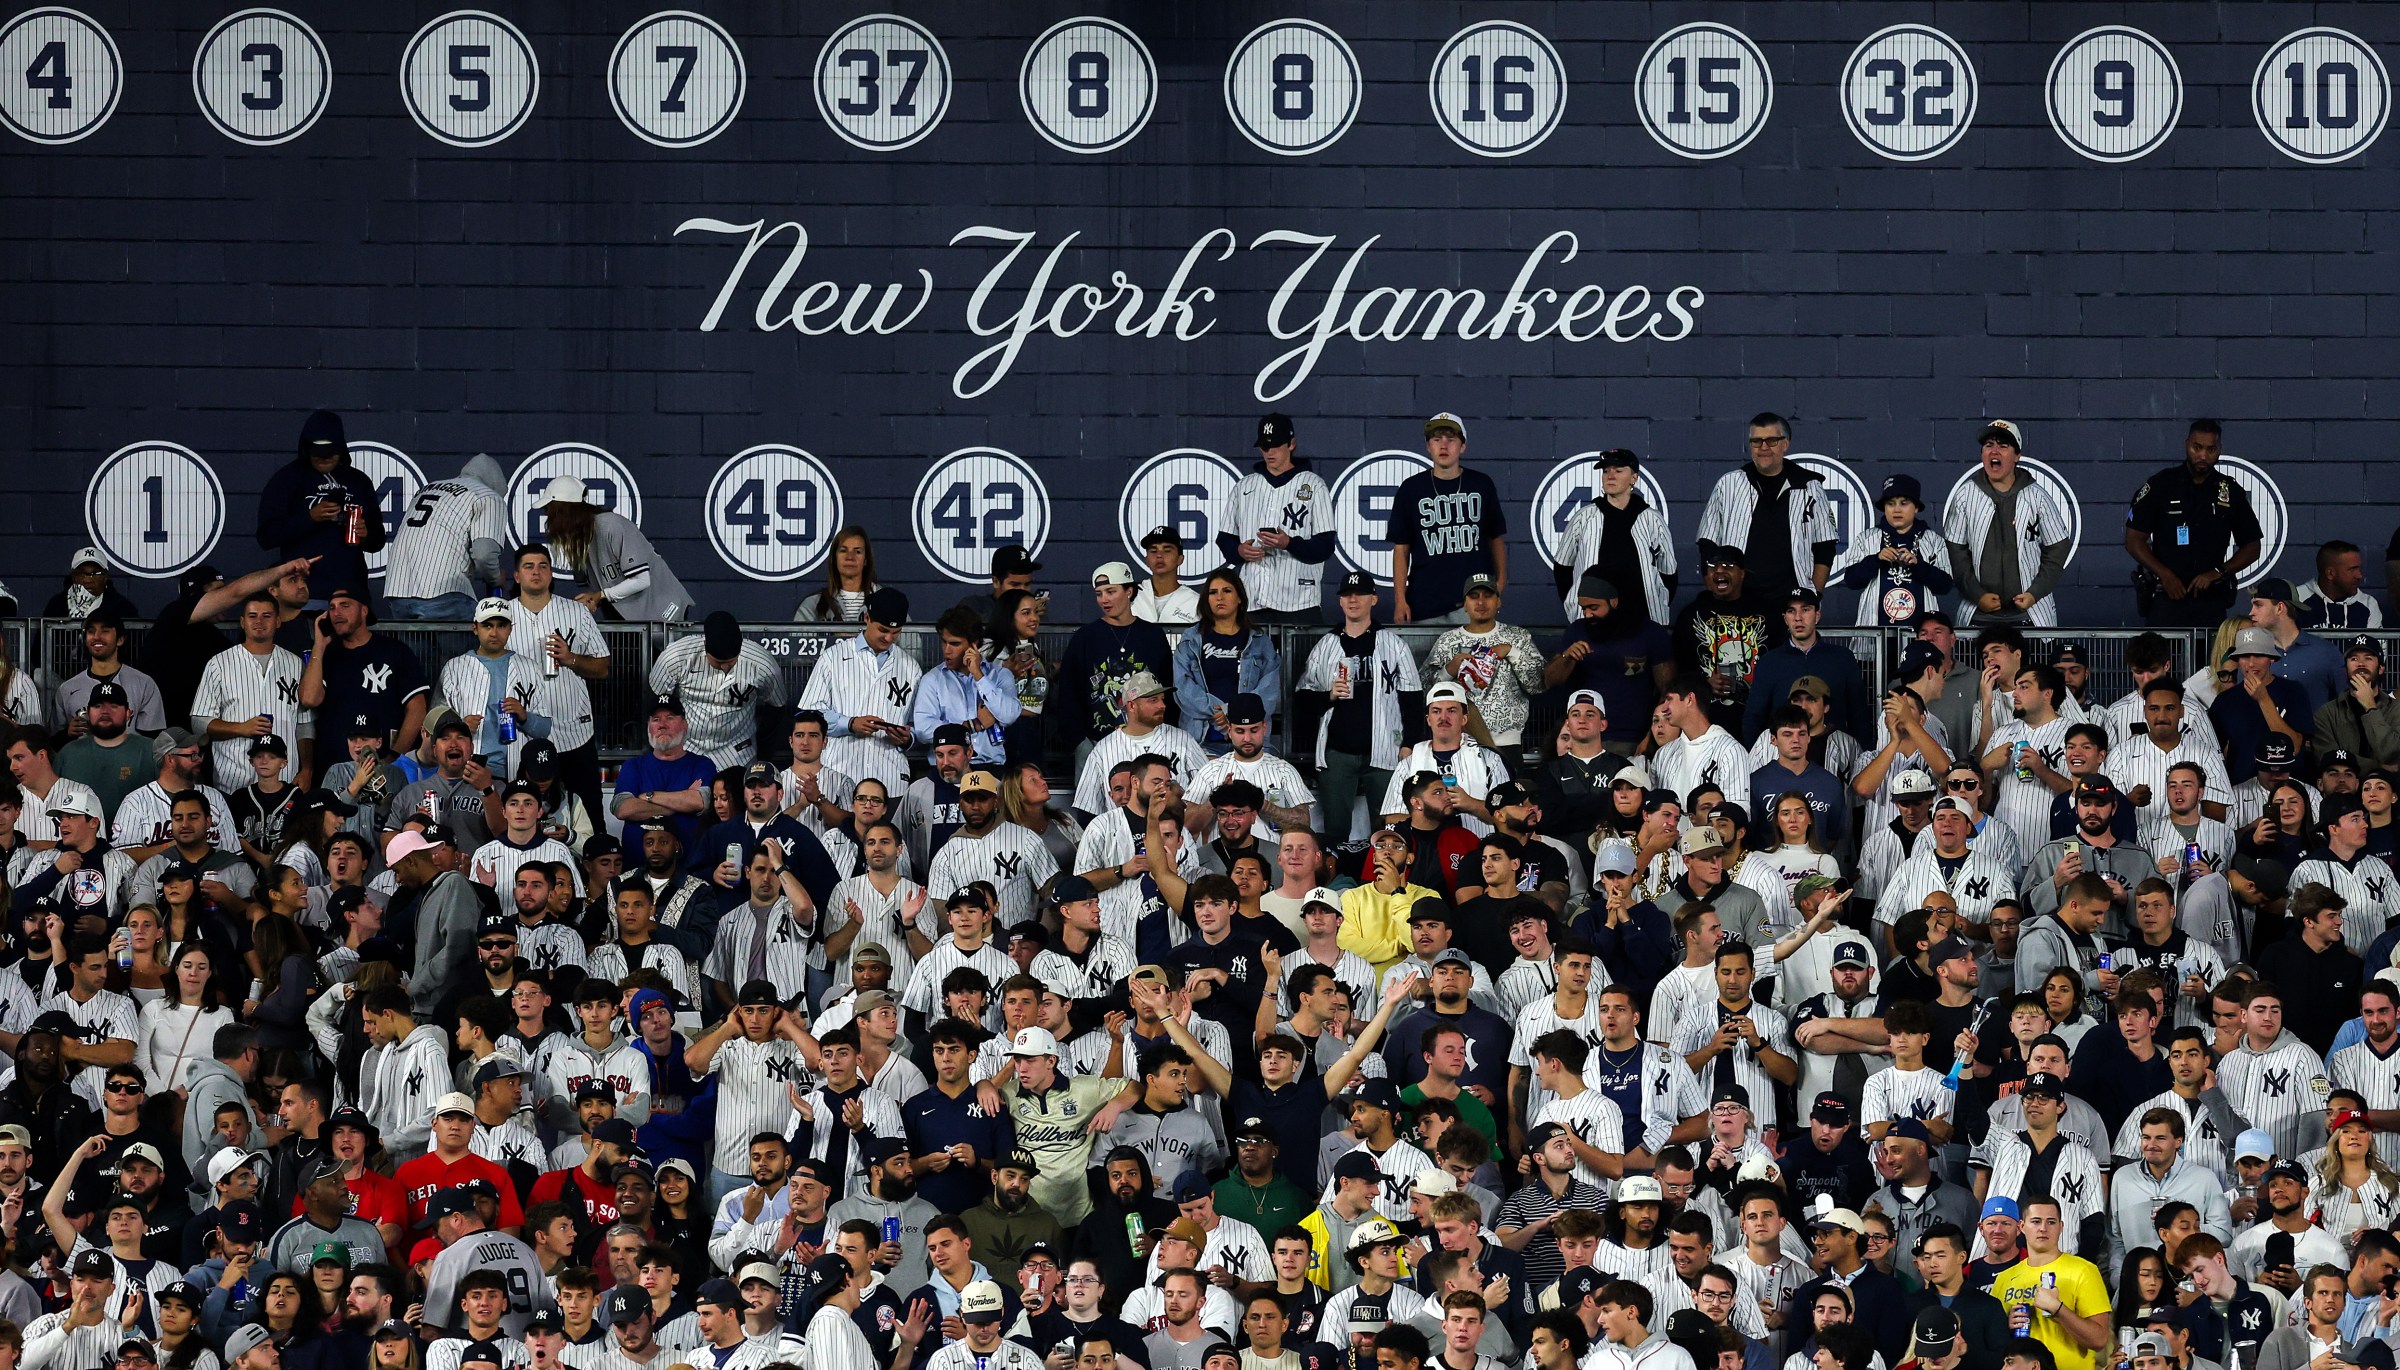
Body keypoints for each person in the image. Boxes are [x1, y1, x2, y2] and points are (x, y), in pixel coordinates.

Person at [1297, 573, 1424, 847]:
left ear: (1374, 599)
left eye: (1360, 594)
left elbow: (1413, 698)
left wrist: (1410, 742)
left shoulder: (1394, 644)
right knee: (1335, 831)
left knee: (1390, 828)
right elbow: (1302, 700)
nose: (1353, 599)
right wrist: (1328, 695)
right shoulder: (1325, 646)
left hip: (1386, 750)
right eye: (1346, 595)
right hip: (1338, 752)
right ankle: (1336, 883)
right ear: (1341, 601)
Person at [1694, 414, 1835, 609]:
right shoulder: (1729, 484)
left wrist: (1812, 598)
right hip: (1738, 603)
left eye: (1771, 440)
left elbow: (1825, 549)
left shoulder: (1810, 486)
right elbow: (1707, 544)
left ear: (1785, 444)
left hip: (1790, 604)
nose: (1763, 447)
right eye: (1756, 441)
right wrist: (1717, 596)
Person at [1943, 422, 2070, 628]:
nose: (1994, 451)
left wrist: (2034, 593)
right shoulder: (1965, 496)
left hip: (2031, 613)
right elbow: (1955, 553)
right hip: (1977, 613)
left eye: (2003, 446)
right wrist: (1977, 594)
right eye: (1988, 445)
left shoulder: (2037, 496)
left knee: (2033, 661)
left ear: (2017, 455)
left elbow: (2058, 548)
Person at [1387, 413, 1505, 626]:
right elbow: (1401, 548)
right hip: (1424, 603)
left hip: (1472, 605)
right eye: (1436, 439)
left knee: (1474, 660)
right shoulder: (1411, 489)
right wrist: (1400, 599)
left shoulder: (1481, 484)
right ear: (1428, 447)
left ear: (1462, 447)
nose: (1443, 445)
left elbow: (1495, 538)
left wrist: (1501, 583)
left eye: (1451, 439)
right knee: (1426, 660)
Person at [255, 411, 384, 603]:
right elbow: (266, 537)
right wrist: (309, 517)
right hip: (304, 595)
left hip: (351, 594)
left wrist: (366, 535)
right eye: (318, 454)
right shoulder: (287, 479)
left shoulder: (359, 481)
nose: (324, 459)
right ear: (307, 450)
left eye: (329, 454)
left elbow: (378, 541)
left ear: (340, 449)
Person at [298, 587, 430, 764]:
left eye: (345, 606)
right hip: (334, 768)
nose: (336, 613)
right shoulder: (326, 655)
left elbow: (417, 708)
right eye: (332, 608)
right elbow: (308, 699)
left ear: (364, 610)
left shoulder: (394, 651)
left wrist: (396, 757)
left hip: (383, 766)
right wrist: (319, 646)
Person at [537, 476, 693, 622]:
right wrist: (592, 599)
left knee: (665, 650)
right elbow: (599, 590)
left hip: (664, 610)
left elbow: (641, 580)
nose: (548, 517)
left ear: (564, 511)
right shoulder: (580, 541)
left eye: (549, 510)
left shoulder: (610, 525)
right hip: (629, 619)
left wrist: (600, 595)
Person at [649, 612, 786, 775]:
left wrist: (764, 754)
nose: (725, 667)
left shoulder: (762, 664)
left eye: (731, 662)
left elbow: (776, 707)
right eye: (719, 662)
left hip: (737, 751)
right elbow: (654, 704)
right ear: (705, 646)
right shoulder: (676, 657)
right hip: (687, 746)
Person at [382, 455, 510, 620]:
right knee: (477, 643)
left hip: (397, 591)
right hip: (443, 593)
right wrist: (495, 577)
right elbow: (484, 554)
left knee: (415, 647)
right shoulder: (488, 495)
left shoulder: (428, 488)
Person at [800, 526, 882, 623]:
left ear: (866, 560)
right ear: (834, 559)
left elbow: (902, 636)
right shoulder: (813, 605)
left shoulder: (888, 602)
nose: (850, 557)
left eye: (857, 551)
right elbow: (798, 638)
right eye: (843, 550)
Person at [1132, 527, 1202, 629]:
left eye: (1167, 550)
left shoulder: (1196, 602)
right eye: (1153, 550)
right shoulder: (1130, 597)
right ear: (1146, 560)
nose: (1159, 555)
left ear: (1180, 559)